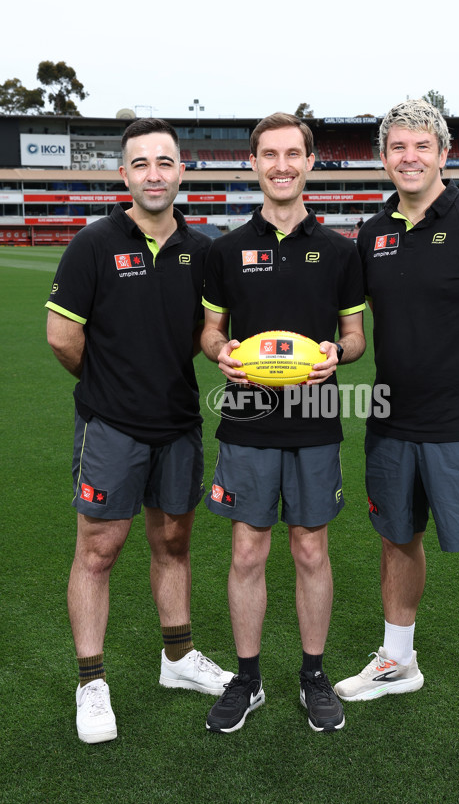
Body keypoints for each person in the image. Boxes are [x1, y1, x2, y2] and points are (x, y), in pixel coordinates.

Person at [333, 99, 459, 754]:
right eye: (397, 147)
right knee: (398, 539)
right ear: (385, 156)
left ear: (444, 154)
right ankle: (399, 660)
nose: (410, 157)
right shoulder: (372, 233)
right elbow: (353, 327)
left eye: (422, 146)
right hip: (392, 422)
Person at [45, 118, 233, 744]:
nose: (154, 174)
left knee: (174, 544)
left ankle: (177, 659)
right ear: (124, 174)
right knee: (98, 551)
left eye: (165, 162)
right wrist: (113, 389)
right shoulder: (93, 245)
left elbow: (214, 336)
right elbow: (63, 339)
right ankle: (91, 681)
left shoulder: (204, 250)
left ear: (181, 171)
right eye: (141, 163)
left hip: (178, 424)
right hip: (112, 428)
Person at [200, 112, 366, 733]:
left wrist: (335, 355)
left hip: (317, 415)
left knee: (311, 547)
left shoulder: (341, 252)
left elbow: (355, 338)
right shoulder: (226, 250)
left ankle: (313, 674)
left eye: (292, 153)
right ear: (253, 164)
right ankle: (247, 679)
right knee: (247, 551)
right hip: (246, 416)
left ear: (310, 162)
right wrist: (219, 351)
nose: (281, 165)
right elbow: (212, 329)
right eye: (269, 154)